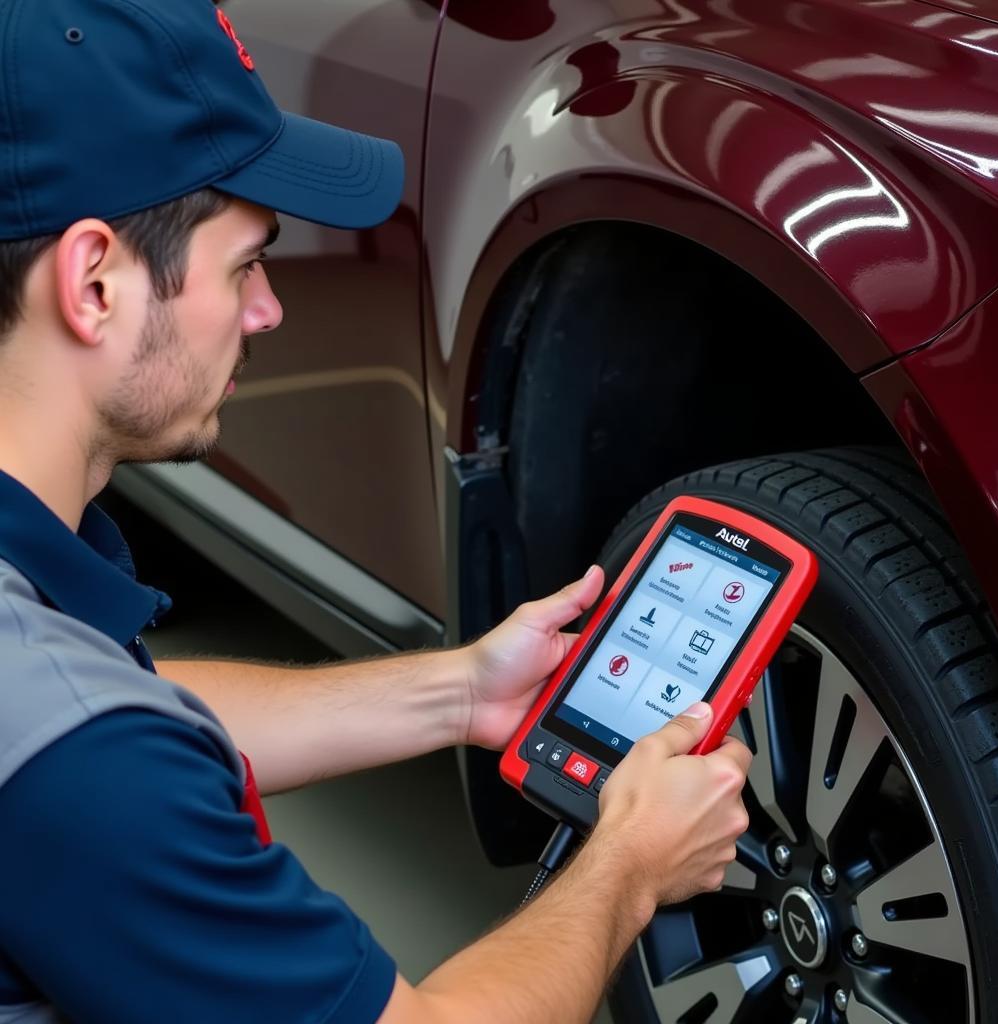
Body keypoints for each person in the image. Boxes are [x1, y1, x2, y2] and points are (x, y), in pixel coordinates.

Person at [0, 2, 751, 1022]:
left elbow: (121, 708)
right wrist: (628, 862)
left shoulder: (52, 685)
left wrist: (461, 691)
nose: (267, 309)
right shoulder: (85, 762)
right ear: (93, 283)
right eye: (246, 264)